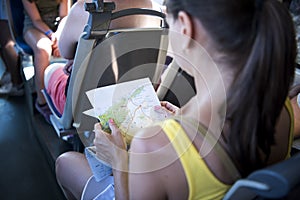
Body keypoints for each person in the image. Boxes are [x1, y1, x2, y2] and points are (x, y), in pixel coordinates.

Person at [56, 0, 297, 199]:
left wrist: (119, 160)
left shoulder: (153, 144)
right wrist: (182, 118)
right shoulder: (283, 108)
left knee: (65, 163)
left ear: (185, 26)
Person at [44, 0, 163, 115]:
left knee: (51, 70)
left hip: (86, 108)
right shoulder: (155, 9)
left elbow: (65, 52)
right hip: (137, 99)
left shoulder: (85, 8)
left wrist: (80, 58)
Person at [22, 0, 70, 122]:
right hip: (34, 27)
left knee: (73, 42)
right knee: (43, 49)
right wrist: (51, 35)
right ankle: (42, 102)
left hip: (58, 27)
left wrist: (59, 35)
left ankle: (68, 98)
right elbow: (36, 20)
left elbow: (65, 17)